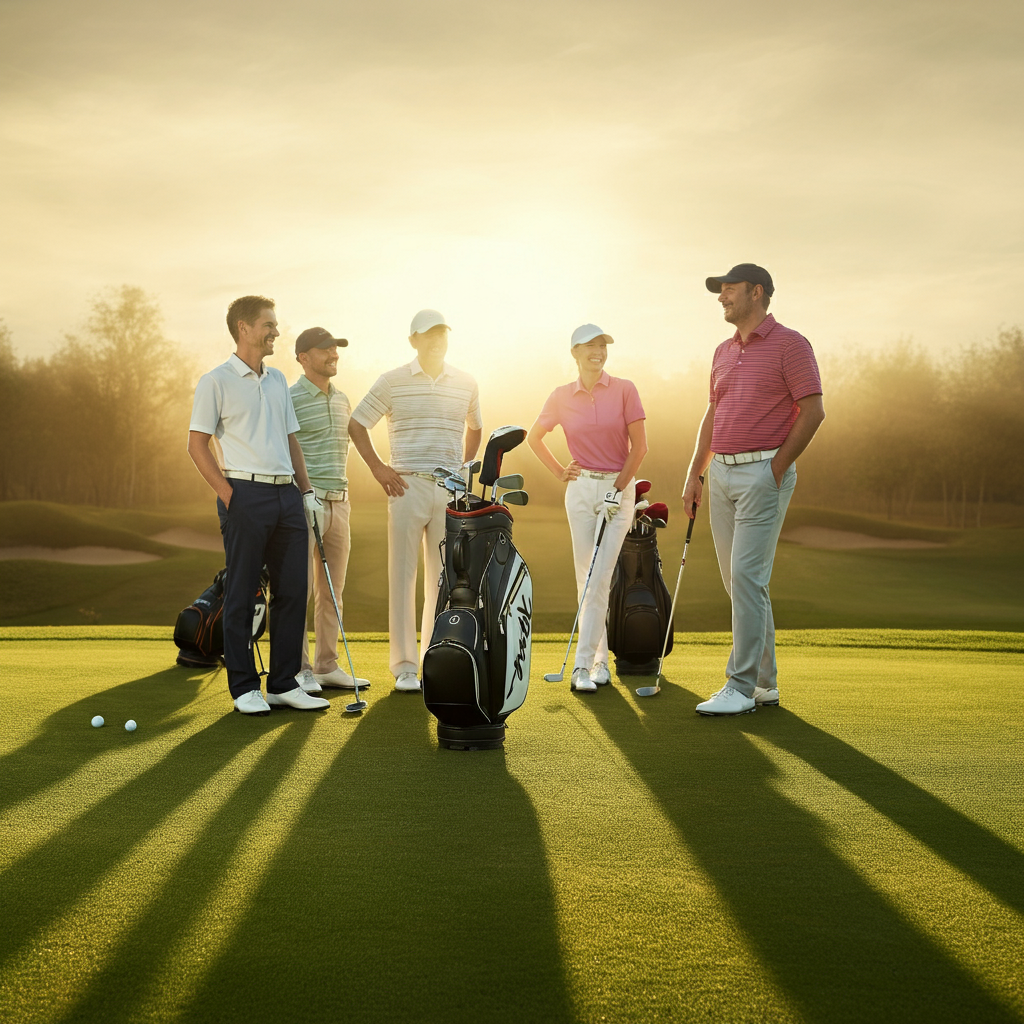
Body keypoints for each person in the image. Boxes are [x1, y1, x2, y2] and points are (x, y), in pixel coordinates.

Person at [681, 264, 825, 716]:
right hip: (721, 475)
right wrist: (695, 473)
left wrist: (775, 470)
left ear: (756, 292)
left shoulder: (791, 344)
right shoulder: (723, 350)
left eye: (730, 289)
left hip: (763, 473)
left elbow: (813, 411)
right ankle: (764, 683)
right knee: (739, 582)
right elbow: (713, 414)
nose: (722, 297)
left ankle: (740, 686)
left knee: (746, 578)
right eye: (720, 290)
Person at [187, 296, 330, 715]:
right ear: (244, 328)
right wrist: (229, 494)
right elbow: (196, 445)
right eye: (269, 325)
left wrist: (306, 492)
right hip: (244, 493)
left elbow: (290, 439)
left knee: (293, 591)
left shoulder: (278, 379)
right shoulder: (215, 381)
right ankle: (244, 687)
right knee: (242, 592)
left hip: (287, 496)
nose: (276, 332)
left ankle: (283, 684)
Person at [348, 309, 482, 691]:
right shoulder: (392, 381)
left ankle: (433, 660)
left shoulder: (466, 382)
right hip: (405, 487)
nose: (437, 341)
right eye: (429, 335)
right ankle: (406, 667)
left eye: (442, 334)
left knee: (443, 580)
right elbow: (357, 424)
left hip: (449, 491)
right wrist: (378, 468)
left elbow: (475, 428)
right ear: (413, 340)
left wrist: (463, 469)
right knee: (403, 578)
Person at [527, 324, 648, 692]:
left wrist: (619, 488)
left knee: (599, 576)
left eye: (602, 345)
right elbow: (534, 437)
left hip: (617, 489)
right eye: (590, 346)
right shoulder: (561, 396)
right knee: (587, 578)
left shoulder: (625, 389)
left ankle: (581, 667)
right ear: (575, 353)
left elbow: (640, 448)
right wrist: (559, 472)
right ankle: (600, 662)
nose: (598, 351)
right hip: (580, 491)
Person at [290, 326, 371, 694]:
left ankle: (326, 666)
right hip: (304, 502)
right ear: (304, 358)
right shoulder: (289, 398)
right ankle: (298, 670)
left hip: (341, 502)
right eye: (325, 349)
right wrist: (302, 493)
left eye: (335, 348)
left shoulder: (342, 399)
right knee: (298, 590)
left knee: (332, 592)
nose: (333, 354)